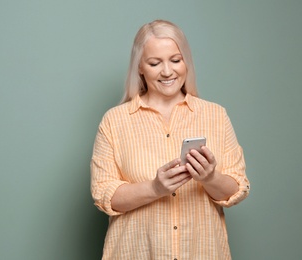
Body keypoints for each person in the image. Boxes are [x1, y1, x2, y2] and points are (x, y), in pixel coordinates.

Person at [90, 19, 250, 260]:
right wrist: (155, 188)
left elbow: (238, 188)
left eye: (175, 60)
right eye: (155, 63)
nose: (167, 71)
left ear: (186, 62)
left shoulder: (215, 115)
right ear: (140, 68)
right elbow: (103, 194)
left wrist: (210, 178)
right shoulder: (115, 121)